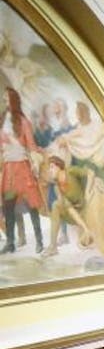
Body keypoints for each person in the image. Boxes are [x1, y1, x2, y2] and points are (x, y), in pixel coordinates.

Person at [1, 87, 42, 254]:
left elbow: (31, 144)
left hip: (23, 169)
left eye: (6, 98)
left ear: (13, 100)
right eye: (3, 99)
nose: (4, 101)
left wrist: (35, 163)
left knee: (32, 205)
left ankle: (39, 241)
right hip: (10, 170)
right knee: (8, 206)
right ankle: (10, 243)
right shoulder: (3, 119)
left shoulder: (23, 121)